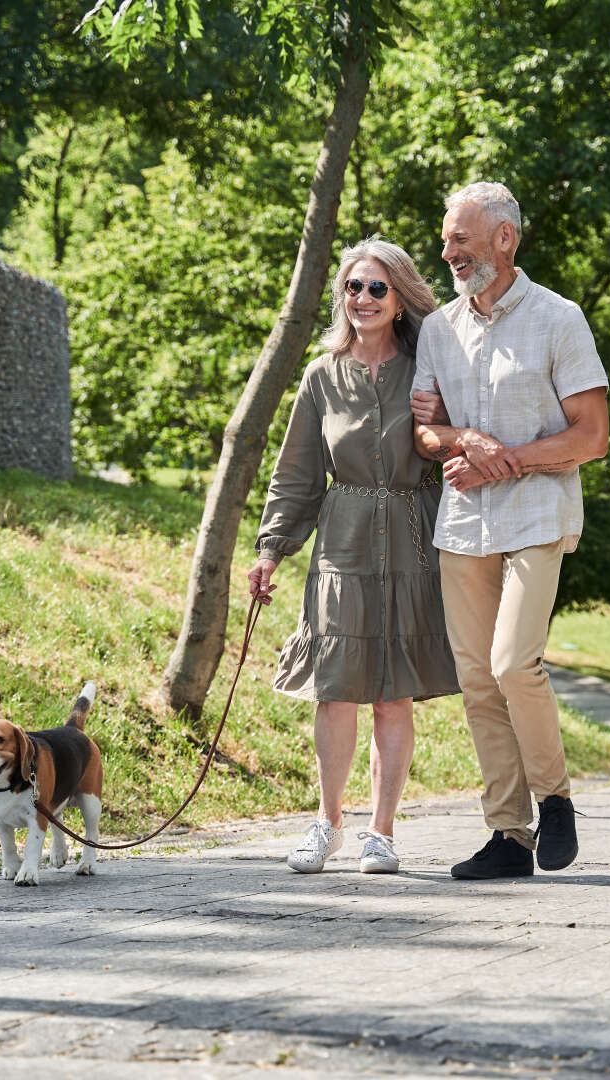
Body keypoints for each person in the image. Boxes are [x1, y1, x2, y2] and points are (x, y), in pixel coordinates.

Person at [410, 182, 610, 880]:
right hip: (463, 522)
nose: (448, 252)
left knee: (512, 663)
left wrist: (509, 461)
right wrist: (462, 437)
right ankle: (508, 835)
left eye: (460, 239)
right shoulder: (439, 329)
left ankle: (554, 800)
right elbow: (425, 429)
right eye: (445, 240)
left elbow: (592, 436)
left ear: (504, 238)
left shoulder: (559, 319)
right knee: (477, 681)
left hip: (537, 512)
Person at [249, 237, 460, 876]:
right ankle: (327, 822)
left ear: (399, 300)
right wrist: (271, 549)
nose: (361, 299)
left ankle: (382, 833)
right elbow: (296, 475)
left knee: (392, 695)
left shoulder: (430, 368)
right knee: (335, 689)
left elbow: (453, 448)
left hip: (412, 542)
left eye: (376, 288)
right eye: (352, 287)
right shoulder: (321, 375)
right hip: (341, 542)